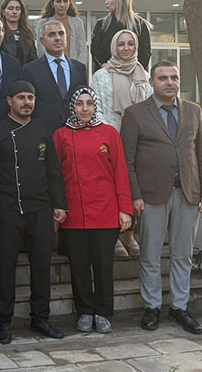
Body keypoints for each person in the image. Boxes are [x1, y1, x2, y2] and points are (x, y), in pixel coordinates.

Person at [121, 61, 202, 335]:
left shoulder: (194, 111)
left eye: (174, 77)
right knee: (150, 254)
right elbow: (127, 160)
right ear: (152, 82)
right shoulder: (135, 114)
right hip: (151, 196)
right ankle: (152, 306)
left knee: (183, 254)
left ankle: (179, 307)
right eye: (163, 78)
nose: (170, 82)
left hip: (187, 193)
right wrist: (135, 195)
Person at [0, 80, 67, 344]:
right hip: (7, 210)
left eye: (31, 97)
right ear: (9, 101)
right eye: (21, 97)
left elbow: (53, 171)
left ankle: (40, 318)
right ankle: (3, 321)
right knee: (4, 267)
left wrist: (59, 204)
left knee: (41, 266)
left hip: (39, 208)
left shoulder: (42, 130)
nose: (27, 102)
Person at [52, 86, 133, 335]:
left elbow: (120, 171)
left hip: (105, 212)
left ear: (95, 106)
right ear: (73, 107)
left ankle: (103, 312)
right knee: (78, 267)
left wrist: (125, 209)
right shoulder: (61, 135)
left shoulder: (109, 133)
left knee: (103, 266)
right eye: (80, 104)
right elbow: (55, 176)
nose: (85, 108)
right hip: (74, 213)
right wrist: (57, 207)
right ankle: (85, 311)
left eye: (89, 103)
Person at [91, 29, 152, 258]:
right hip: (110, 139)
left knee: (134, 186)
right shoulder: (101, 76)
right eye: (121, 44)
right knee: (112, 187)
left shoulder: (143, 75)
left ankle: (129, 234)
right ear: (114, 47)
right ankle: (115, 234)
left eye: (130, 44)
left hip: (138, 141)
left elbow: (149, 108)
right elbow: (96, 108)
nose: (126, 48)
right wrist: (111, 136)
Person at [20, 19, 88, 133]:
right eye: (52, 34)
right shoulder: (31, 70)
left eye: (61, 33)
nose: (58, 38)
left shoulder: (79, 68)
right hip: (43, 133)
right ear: (42, 41)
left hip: (75, 132)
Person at [90, 0, 152, 70]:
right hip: (108, 71)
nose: (106, 2)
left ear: (121, 0)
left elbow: (145, 53)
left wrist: (137, 70)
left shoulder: (140, 25)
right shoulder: (102, 24)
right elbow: (95, 50)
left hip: (133, 72)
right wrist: (103, 66)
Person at [36, 0, 88, 66]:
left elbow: (82, 49)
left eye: (65, 1)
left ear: (69, 3)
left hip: (72, 67)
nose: (62, 5)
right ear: (52, 4)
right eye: (58, 1)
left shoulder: (77, 23)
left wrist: (78, 68)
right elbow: (41, 49)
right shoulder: (43, 23)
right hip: (49, 67)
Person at [0, 0, 37, 65]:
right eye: (10, 8)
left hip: (25, 70)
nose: (14, 12)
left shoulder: (27, 33)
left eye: (17, 9)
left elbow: (33, 57)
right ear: (3, 12)